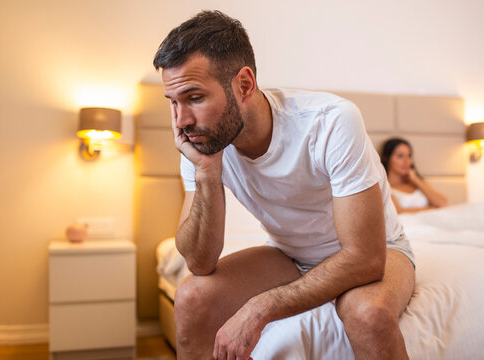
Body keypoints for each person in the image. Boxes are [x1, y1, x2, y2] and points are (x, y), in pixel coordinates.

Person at [154, 10, 415, 360]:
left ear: (244, 85)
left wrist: (260, 308)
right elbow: (200, 262)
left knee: (367, 314)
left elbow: (365, 260)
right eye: (173, 102)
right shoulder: (201, 139)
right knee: (190, 298)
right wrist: (206, 172)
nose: (182, 121)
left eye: (195, 98)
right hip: (289, 255)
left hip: (378, 250)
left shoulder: (329, 122)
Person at [380, 138, 448, 213]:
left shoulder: (417, 182)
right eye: (400, 156)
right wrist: (433, 208)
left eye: (409, 156)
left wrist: (416, 180)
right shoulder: (384, 186)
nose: (406, 161)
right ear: (387, 158)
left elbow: (443, 204)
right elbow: (398, 212)